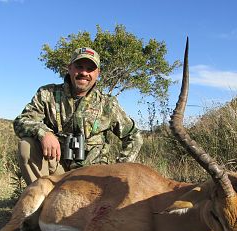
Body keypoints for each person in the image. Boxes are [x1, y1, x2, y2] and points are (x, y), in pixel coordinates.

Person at [14, 47, 143, 185]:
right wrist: (44, 133)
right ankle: (43, 201)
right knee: (26, 145)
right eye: (79, 67)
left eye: (90, 69)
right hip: (57, 170)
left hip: (93, 176)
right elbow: (21, 121)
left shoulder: (107, 104)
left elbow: (134, 136)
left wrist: (118, 170)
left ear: (97, 73)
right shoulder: (47, 93)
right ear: (69, 68)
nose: (84, 73)